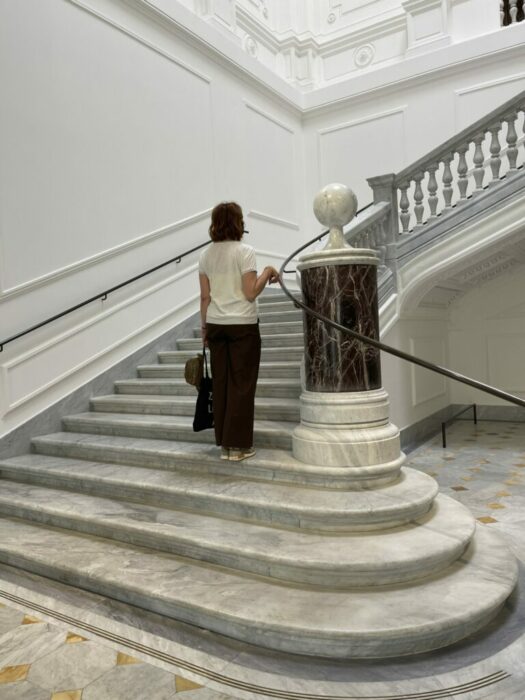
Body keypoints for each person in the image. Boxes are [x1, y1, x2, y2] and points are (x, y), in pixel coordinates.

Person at [198, 202, 279, 462]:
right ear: (238, 222)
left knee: (221, 385)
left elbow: (205, 297)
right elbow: (250, 292)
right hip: (242, 325)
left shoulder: (205, 255)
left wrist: (204, 328)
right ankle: (239, 447)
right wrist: (268, 271)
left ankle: (225, 445)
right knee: (241, 386)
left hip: (216, 324)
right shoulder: (245, 252)